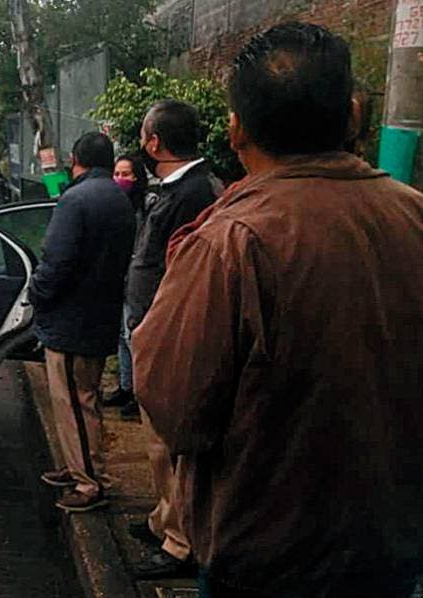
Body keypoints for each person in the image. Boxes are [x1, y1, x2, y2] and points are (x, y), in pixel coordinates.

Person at [134, 22, 423, 597]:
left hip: (269, 555)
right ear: (353, 118)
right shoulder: (414, 216)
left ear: (237, 129)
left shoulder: (230, 242)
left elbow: (174, 406)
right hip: (396, 546)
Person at [126, 99, 223, 580]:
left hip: (172, 337)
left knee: (172, 446)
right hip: (153, 331)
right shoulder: (171, 188)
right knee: (156, 446)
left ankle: (181, 541)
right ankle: (164, 518)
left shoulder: (195, 194)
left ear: (154, 142)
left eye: (144, 134)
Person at [31, 132, 136, 513]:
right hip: (100, 315)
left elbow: (56, 263)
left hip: (71, 321)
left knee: (75, 402)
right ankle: (77, 465)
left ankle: (89, 482)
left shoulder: (74, 200)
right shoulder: (118, 199)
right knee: (83, 400)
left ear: (76, 159)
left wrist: (37, 292)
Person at [103, 156, 149, 415]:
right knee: (122, 335)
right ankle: (125, 385)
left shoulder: (146, 207)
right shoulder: (115, 206)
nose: (120, 179)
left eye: (126, 174)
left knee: (134, 337)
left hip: (138, 282)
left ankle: (139, 394)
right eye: (116, 173)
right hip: (120, 278)